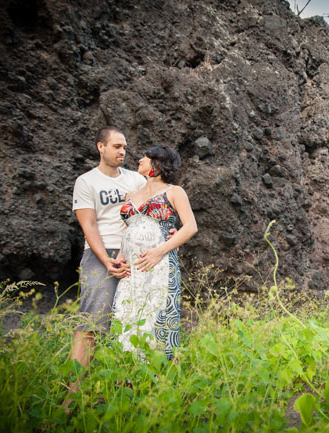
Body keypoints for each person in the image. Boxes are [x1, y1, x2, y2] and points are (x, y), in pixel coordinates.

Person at [64, 126, 145, 412]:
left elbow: (157, 205)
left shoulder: (136, 179)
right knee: (92, 325)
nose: (122, 152)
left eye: (124, 147)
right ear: (101, 147)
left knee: (135, 324)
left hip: (134, 255)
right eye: (116, 146)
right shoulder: (86, 182)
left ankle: (127, 394)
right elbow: (88, 225)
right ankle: (71, 398)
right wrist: (107, 260)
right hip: (101, 254)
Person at [113, 146, 197, 361]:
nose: (140, 159)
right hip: (132, 268)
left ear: (158, 164)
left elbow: (190, 227)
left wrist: (158, 252)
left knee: (157, 317)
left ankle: (160, 375)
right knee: (127, 316)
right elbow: (129, 228)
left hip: (159, 264)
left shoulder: (174, 192)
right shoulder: (131, 195)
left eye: (146, 157)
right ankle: (129, 374)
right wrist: (121, 256)